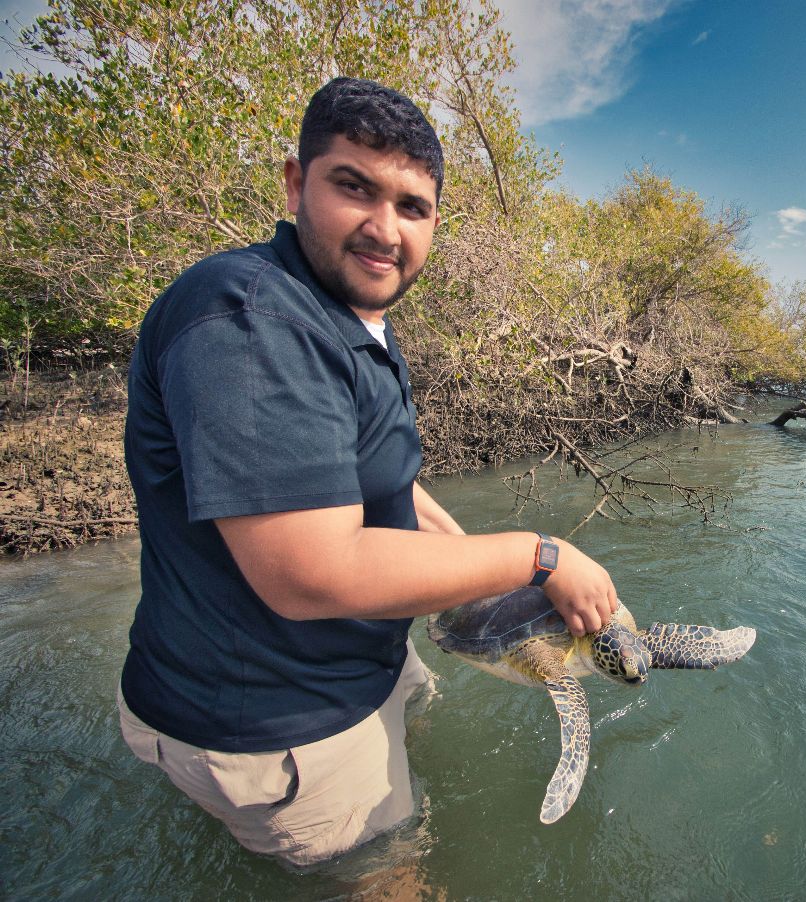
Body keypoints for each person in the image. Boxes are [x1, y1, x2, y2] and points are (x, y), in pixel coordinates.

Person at [117, 77, 619, 867]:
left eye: (412, 206)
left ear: (435, 223)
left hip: (354, 664)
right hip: (278, 722)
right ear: (294, 183)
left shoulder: (354, 320)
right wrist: (541, 554)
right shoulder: (252, 321)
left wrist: (473, 566)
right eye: (354, 187)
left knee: (415, 729)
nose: (384, 228)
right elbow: (311, 574)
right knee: (390, 875)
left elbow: (362, 473)